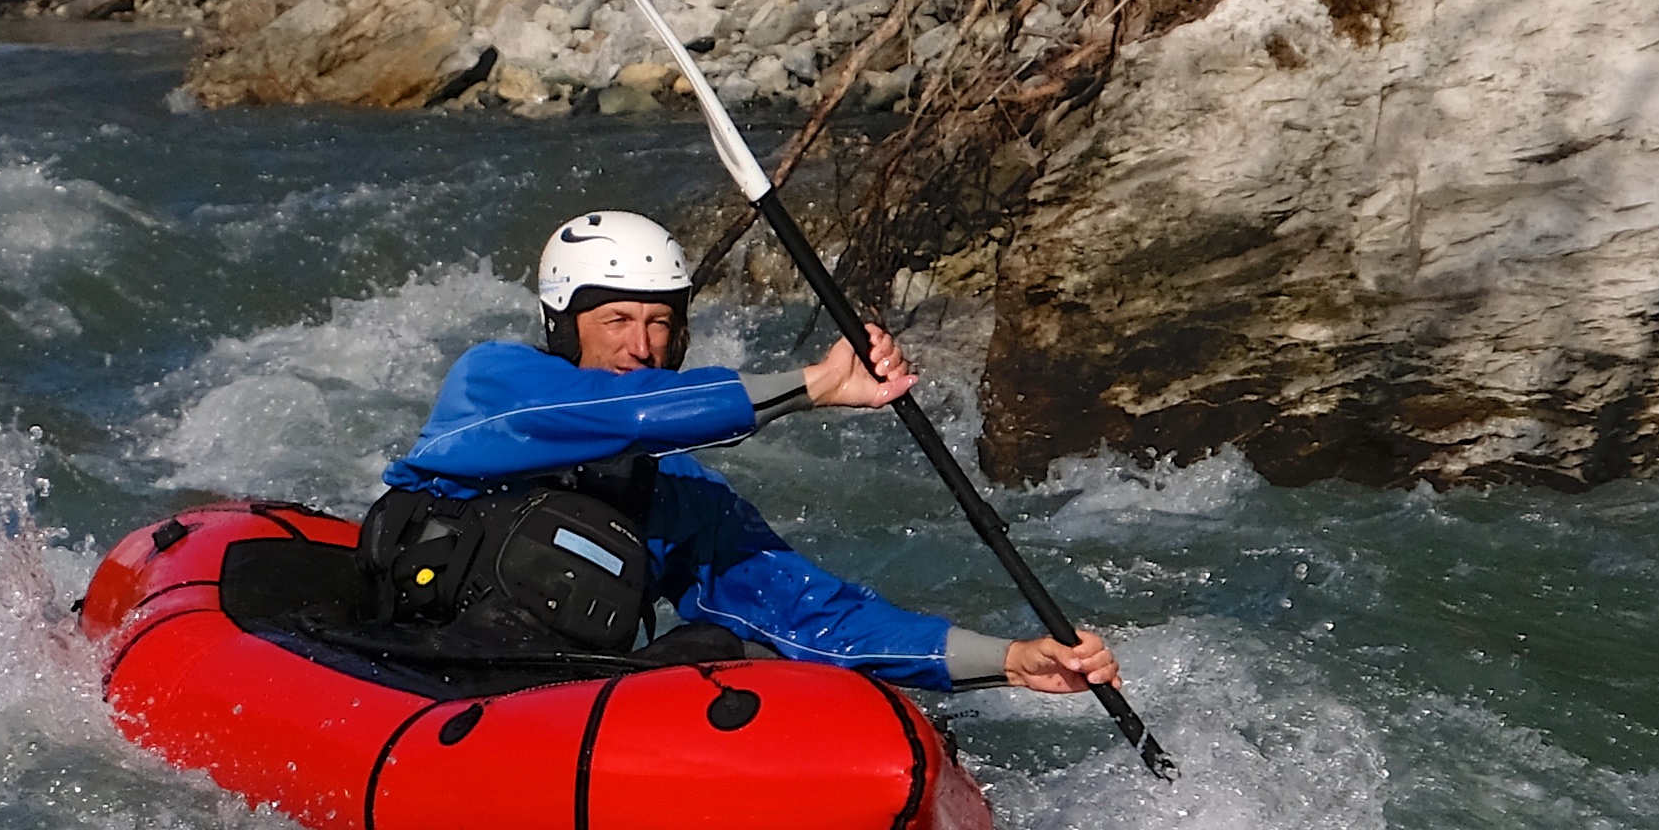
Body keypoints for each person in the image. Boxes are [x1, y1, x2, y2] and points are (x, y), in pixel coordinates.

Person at [358, 208, 1127, 695]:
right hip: (412, 671)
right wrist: (815, 383)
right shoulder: (494, 387)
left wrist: (1008, 659)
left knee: (726, 648)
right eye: (617, 320)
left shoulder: (675, 496)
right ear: (563, 325)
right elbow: (628, 412)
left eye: (661, 324)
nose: (643, 347)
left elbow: (814, 617)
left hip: (548, 703)